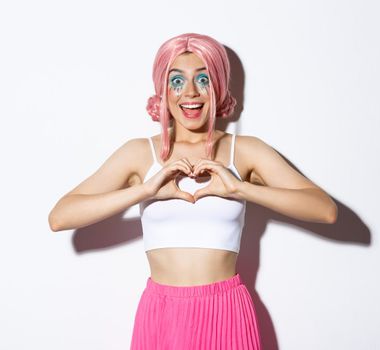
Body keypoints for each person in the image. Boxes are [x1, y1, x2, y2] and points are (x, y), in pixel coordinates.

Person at [48, 33, 338, 350]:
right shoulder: (140, 153)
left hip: (226, 310)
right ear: (162, 89)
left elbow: (324, 209)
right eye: (177, 81)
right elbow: (60, 217)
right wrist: (145, 191)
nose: (190, 92)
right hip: (161, 313)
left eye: (203, 79)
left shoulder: (244, 151)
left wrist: (240, 187)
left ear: (219, 85)